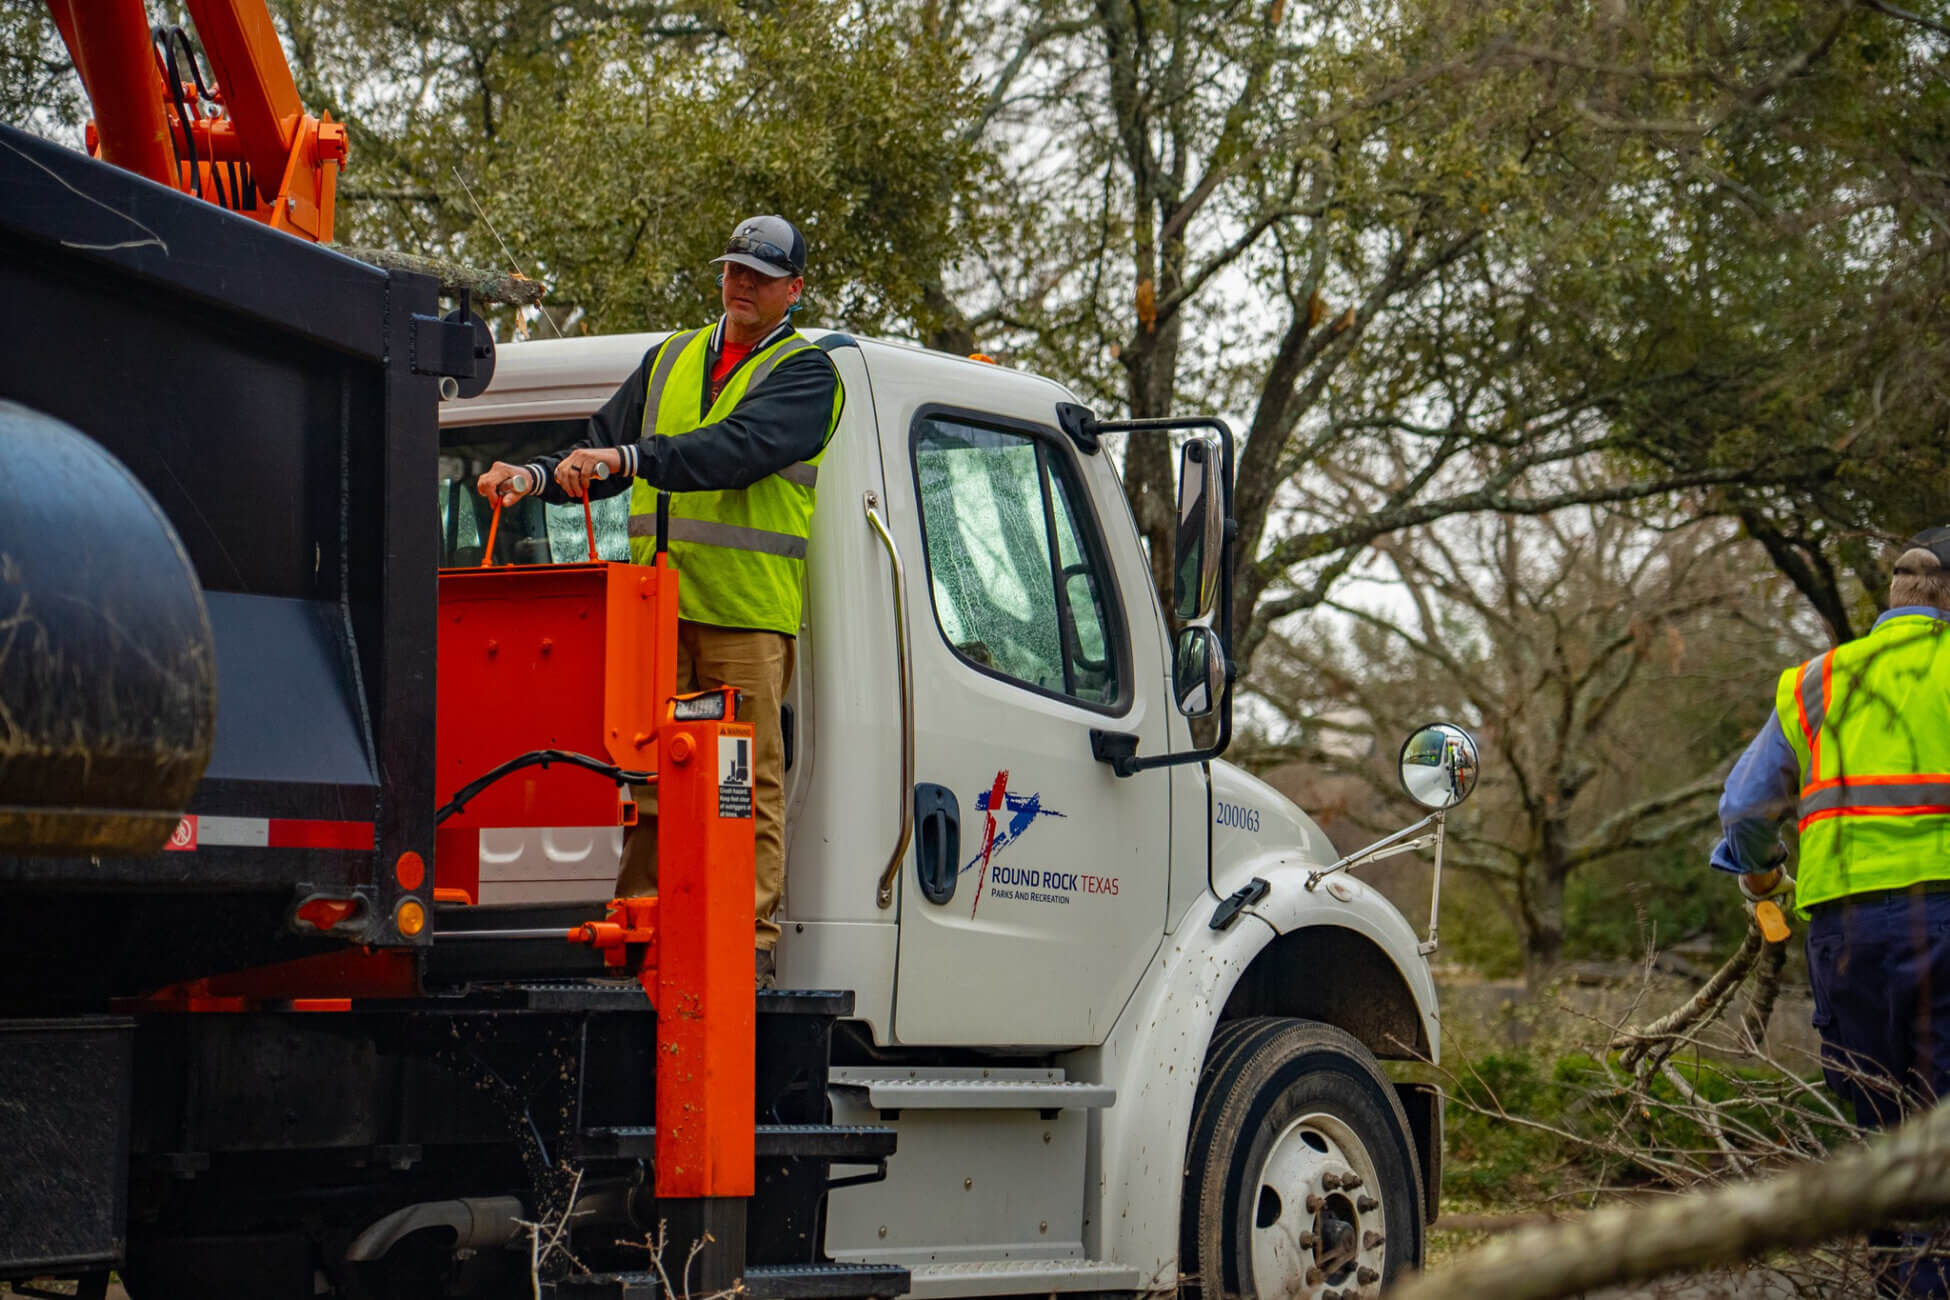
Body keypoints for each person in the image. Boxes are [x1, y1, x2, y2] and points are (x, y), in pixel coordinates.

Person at [476, 215, 843, 988]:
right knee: (649, 780)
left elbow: (737, 450)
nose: (741, 283)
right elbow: (600, 447)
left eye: (761, 274)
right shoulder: (671, 358)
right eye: (734, 268)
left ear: (794, 290)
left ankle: (746, 944)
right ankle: (642, 926)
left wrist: (629, 456)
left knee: (742, 782)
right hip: (661, 610)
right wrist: (537, 478)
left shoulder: (810, 376)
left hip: (745, 612)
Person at [1711, 526, 1950, 1295]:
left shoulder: (1817, 681)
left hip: (1846, 940)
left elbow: (1744, 808)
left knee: (1879, 1140)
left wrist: (1763, 883)